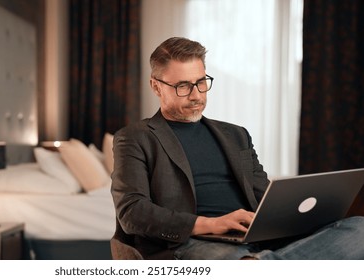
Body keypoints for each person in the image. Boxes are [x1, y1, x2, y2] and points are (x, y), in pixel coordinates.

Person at [110, 37, 364, 260]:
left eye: (201, 82)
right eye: (183, 86)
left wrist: (298, 215)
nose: (197, 95)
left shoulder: (236, 134)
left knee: (359, 229)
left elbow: (263, 193)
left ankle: (262, 264)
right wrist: (210, 224)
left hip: (255, 236)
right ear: (156, 86)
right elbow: (132, 212)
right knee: (236, 261)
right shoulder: (134, 137)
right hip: (191, 242)